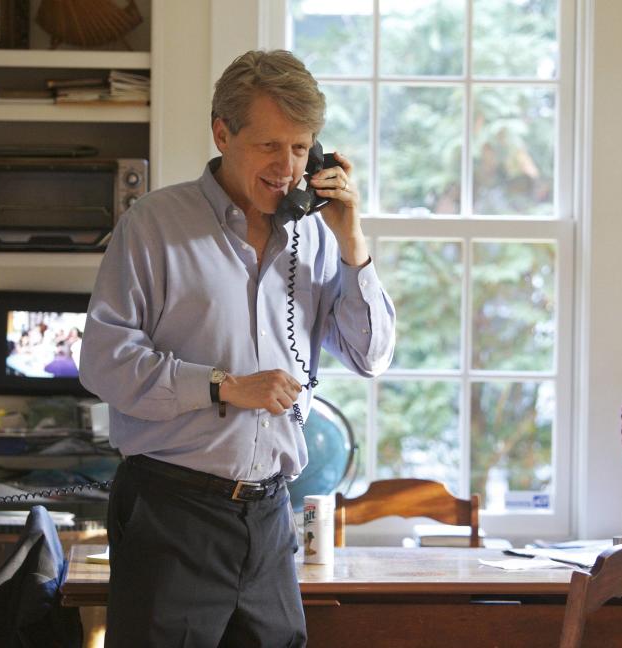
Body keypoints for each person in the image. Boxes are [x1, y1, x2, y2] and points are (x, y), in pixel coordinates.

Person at [79, 49, 396, 647]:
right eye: (270, 145)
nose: (288, 166)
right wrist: (223, 384)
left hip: (270, 515)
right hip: (171, 511)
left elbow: (370, 355)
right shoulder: (154, 224)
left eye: (302, 148)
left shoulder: (317, 236)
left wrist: (353, 240)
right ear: (223, 133)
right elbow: (103, 360)